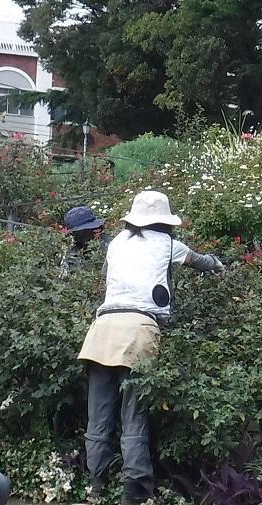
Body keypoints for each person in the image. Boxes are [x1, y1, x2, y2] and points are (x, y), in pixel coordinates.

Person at [78, 190, 225, 504]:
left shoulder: (116, 243)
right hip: (139, 331)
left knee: (98, 419)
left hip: (102, 330)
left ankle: (95, 488)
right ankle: (135, 494)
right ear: (164, 221)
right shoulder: (170, 245)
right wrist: (220, 265)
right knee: (133, 418)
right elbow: (203, 263)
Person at [59, 204, 107, 275]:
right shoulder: (70, 256)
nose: (96, 231)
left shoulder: (111, 246)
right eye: (90, 229)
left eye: (96, 228)